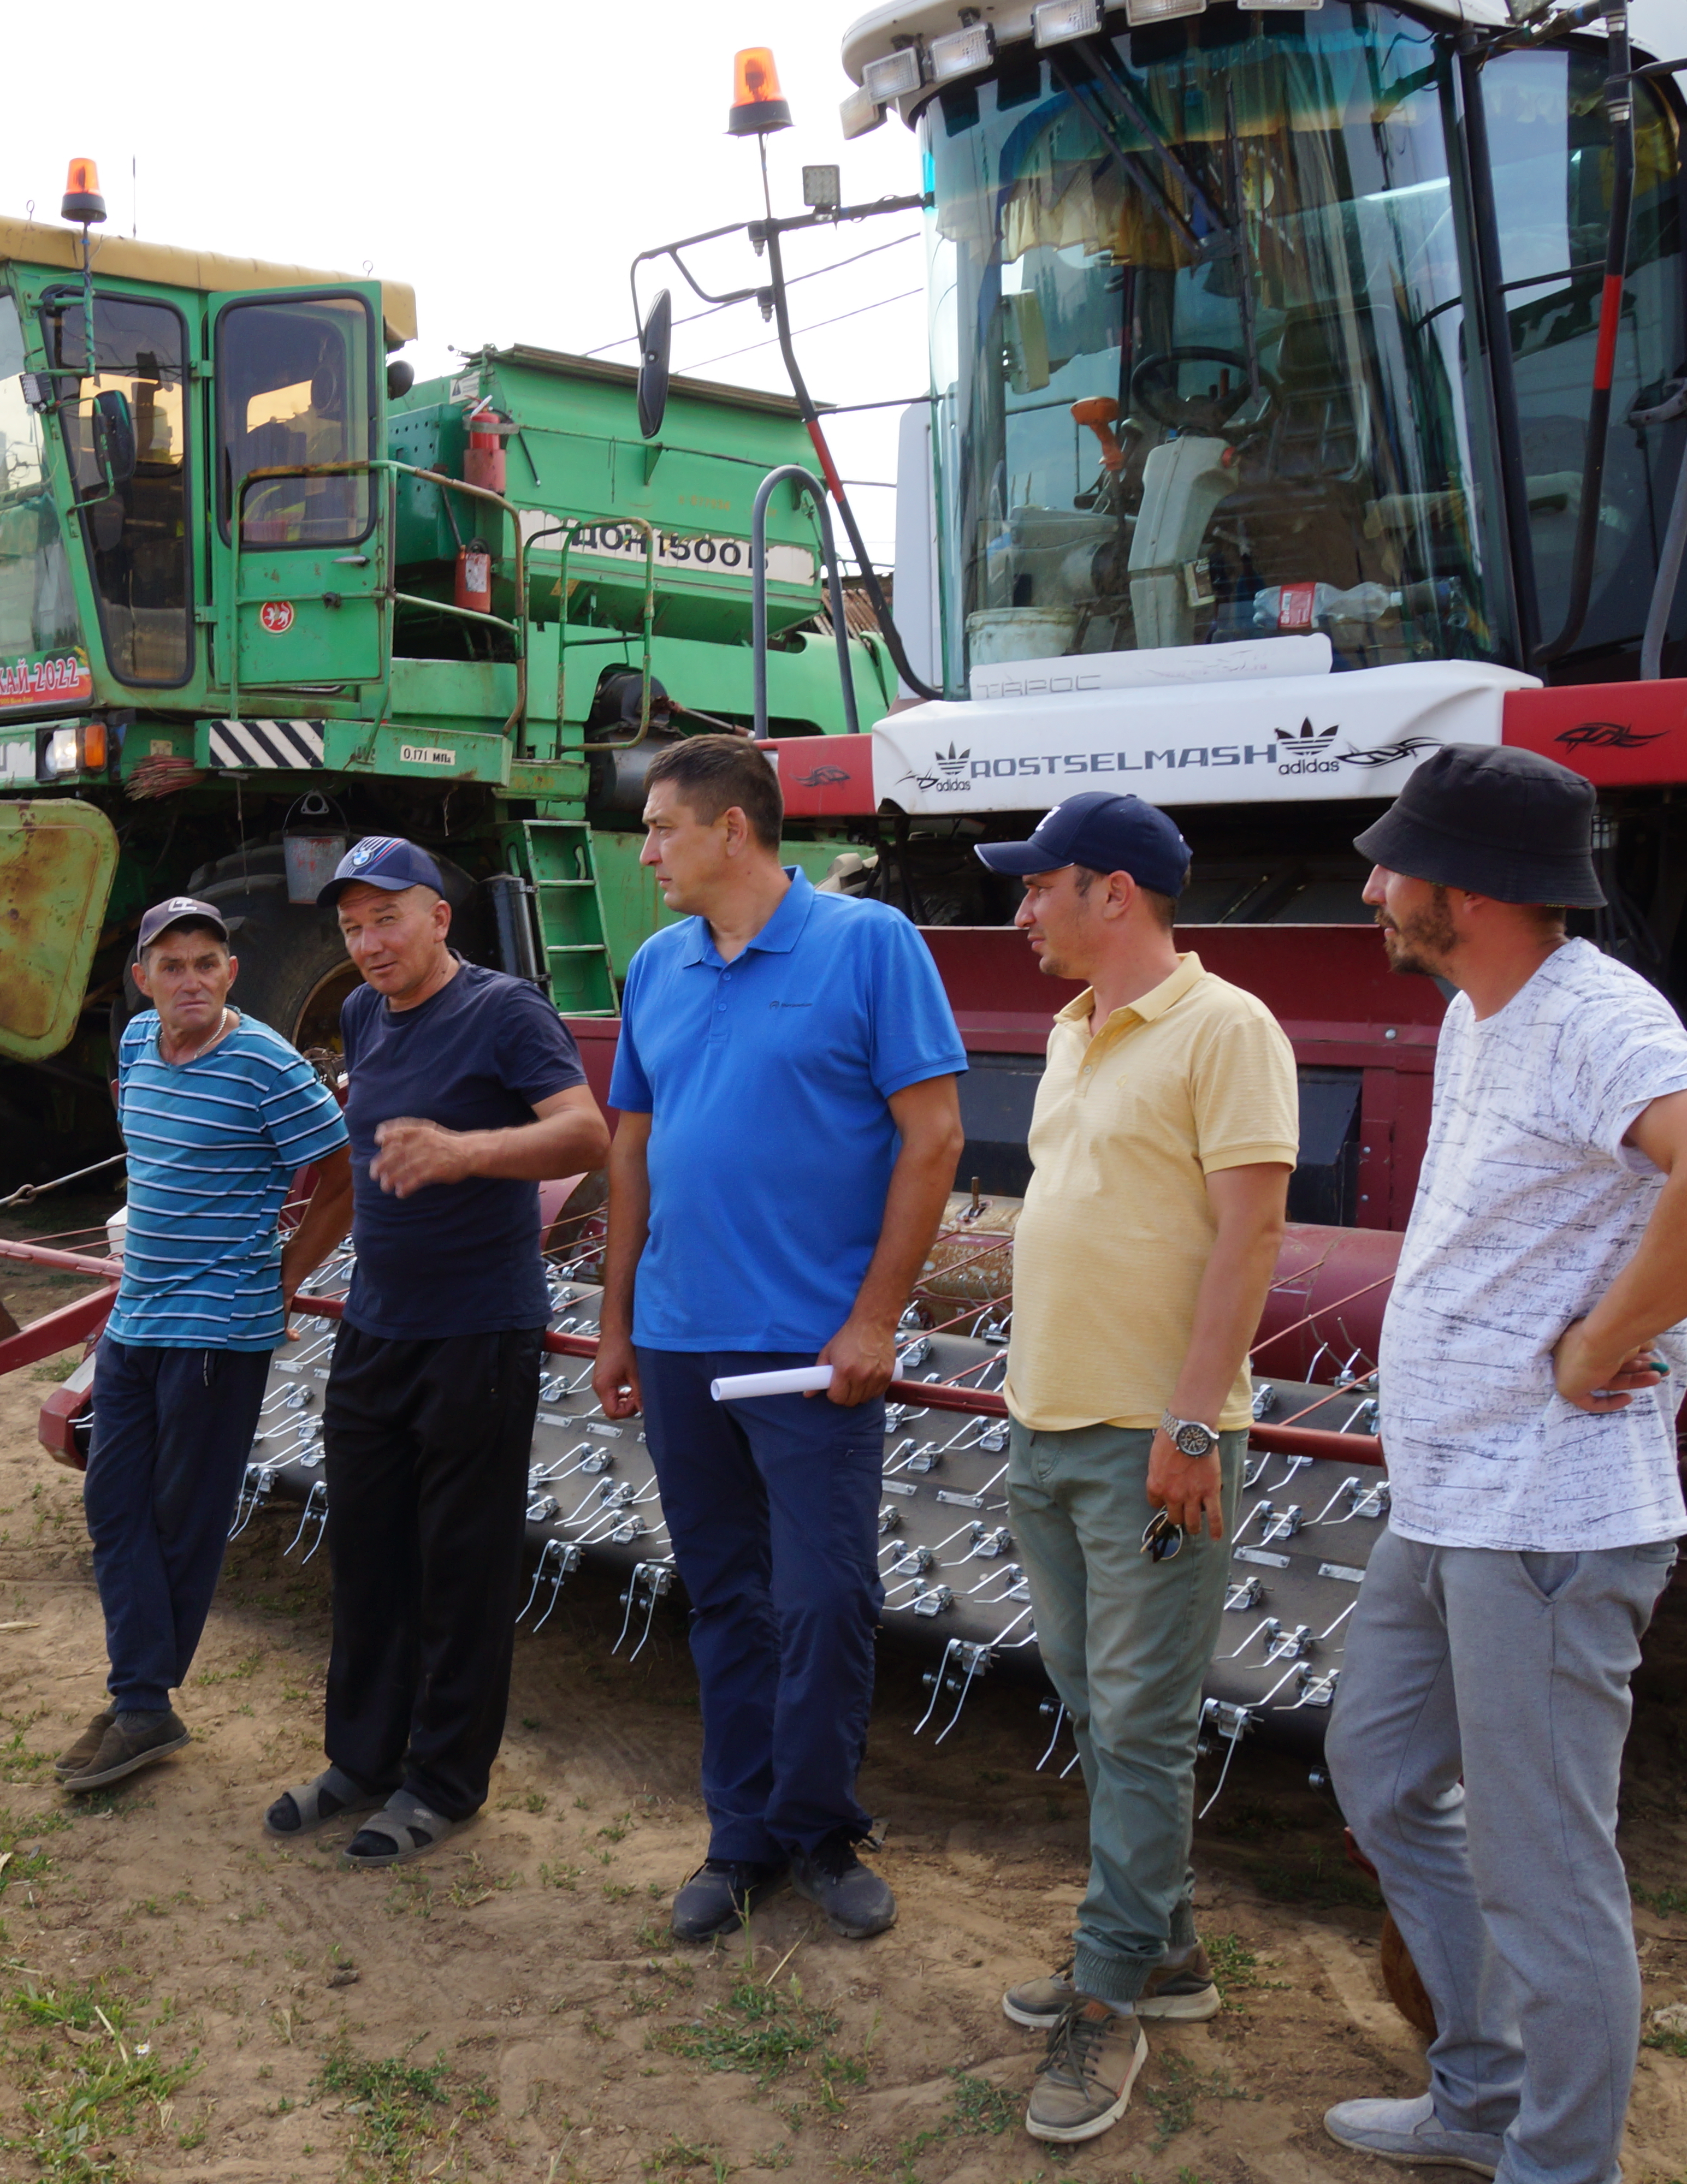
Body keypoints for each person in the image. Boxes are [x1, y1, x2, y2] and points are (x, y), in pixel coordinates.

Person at [1322, 747, 1687, 2179]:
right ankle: (1481, 2098)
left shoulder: (1594, 1015)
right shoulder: (1488, 1008)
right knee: (1384, 1774)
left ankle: (1556, 2159)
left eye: (1392, 866)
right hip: (1455, 1497)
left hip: (1544, 1512)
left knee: (1546, 1871)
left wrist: (1605, 1342)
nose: (1370, 887)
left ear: (1465, 893)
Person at [588, 735, 967, 1943]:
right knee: (723, 1598)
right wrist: (618, 1321)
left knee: (825, 1598)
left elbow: (937, 1137)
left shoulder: (870, 944)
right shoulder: (658, 965)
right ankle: (739, 1836)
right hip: (683, 1337)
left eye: (662, 828)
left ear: (733, 830)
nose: (646, 851)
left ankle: (819, 1829)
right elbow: (632, 1152)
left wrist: (874, 1318)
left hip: (813, 1352)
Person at [971, 794, 1297, 2145]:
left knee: (1144, 1724)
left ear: (1114, 892)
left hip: (1148, 1444)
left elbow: (1250, 1235)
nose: (1021, 910)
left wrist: (1191, 1423)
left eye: (1039, 887)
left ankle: (1110, 2002)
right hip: (1049, 1426)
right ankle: (1163, 1953)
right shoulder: (1070, 1028)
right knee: (1098, 1709)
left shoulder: (1228, 1029)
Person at [261, 837, 608, 1865]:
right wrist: (291, 1272)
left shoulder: (506, 1013)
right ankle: (361, 1760)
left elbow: (587, 1135)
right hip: (378, 1326)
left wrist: (463, 1153)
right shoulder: (364, 1015)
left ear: (439, 918)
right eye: (352, 926)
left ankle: (445, 1782)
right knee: (367, 1551)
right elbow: (355, 1172)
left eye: (387, 920)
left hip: (477, 1330)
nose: (368, 944)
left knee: (460, 1566)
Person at [58, 895, 355, 1793]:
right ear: (143, 979)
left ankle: (142, 1700)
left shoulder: (267, 1064)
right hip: (138, 1315)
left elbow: (341, 1179)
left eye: (207, 964)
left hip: (221, 1326)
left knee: (180, 1518)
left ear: (231, 974)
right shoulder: (139, 1047)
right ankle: (141, 1694)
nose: (190, 980)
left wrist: (284, 1277)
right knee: (114, 1505)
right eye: (171, 965)